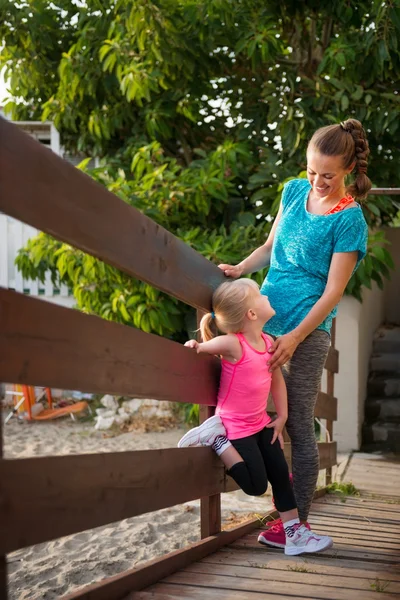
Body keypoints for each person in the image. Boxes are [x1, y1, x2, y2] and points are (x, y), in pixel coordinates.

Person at [214, 118, 369, 548]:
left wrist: (298, 336)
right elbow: (269, 247)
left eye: (328, 175)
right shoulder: (293, 191)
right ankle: (231, 458)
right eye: (312, 171)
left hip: (306, 332)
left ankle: (292, 524)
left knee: (298, 425)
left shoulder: (350, 221)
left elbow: (334, 291)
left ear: (349, 171)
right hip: (260, 324)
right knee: (244, 411)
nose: (317, 181)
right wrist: (241, 269)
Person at [178, 278, 333, 556]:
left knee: (282, 478)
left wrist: (283, 416)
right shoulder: (234, 344)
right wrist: (196, 346)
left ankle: (294, 534)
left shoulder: (268, 342)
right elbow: (206, 347)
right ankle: (217, 441)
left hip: (262, 423)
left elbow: (277, 382)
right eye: (260, 295)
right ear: (251, 314)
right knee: (256, 485)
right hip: (236, 428)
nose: (266, 295)